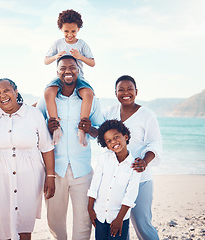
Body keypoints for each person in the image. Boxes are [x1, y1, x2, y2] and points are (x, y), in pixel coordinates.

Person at [37, 55, 104, 240]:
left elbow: (103, 130)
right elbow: (35, 127)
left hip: (82, 170)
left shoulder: (90, 100)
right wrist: (47, 127)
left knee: (83, 221)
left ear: (78, 71)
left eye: (72, 67)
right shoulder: (47, 99)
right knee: (54, 220)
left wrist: (90, 129)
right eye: (63, 68)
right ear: (57, 72)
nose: (68, 71)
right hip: (54, 171)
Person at [0, 78, 55, 240]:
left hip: (29, 176)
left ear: (15, 92)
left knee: (24, 222)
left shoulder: (33, 114)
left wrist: (50, 176)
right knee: (0, 222)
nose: (2, 95)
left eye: (6, 90)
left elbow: (46, 147)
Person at [103, 75, 163, 240]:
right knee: (119, 225)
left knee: (143, 225)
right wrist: (87, 128)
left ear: (136, 91)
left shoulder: (147, 115)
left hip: (140, 177)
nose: (125, 93)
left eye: (130, 89)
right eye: (121, 90)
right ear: (115, 93)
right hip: (116, 179)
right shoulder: (109, 112)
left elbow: (155, 143)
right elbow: (100, 134)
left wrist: (145, 162)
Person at [44, 9, 95, 147]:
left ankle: (81, 128)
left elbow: (92, 63)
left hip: (78, 78)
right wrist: (56, 56)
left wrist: (80, 57)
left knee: (88, 93)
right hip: (60, 78)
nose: (70, 34)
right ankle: (56, 128)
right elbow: (46, 60)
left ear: (78, 29)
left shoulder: (82, 44)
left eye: (73, 31)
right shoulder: (57, 43)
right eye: (66, 31)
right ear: (61, 29)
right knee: (48, 92)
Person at [88, 119, 141, 240]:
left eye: (116, 137)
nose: (114, 142)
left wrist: (119, 219)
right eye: (109, 141)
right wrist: (90, 209)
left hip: (119, 218)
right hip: (100, 215)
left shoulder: (135, 165)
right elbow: (95, 184)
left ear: (125, 137)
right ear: (106, 145)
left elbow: (130, 195)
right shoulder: (103, 159)